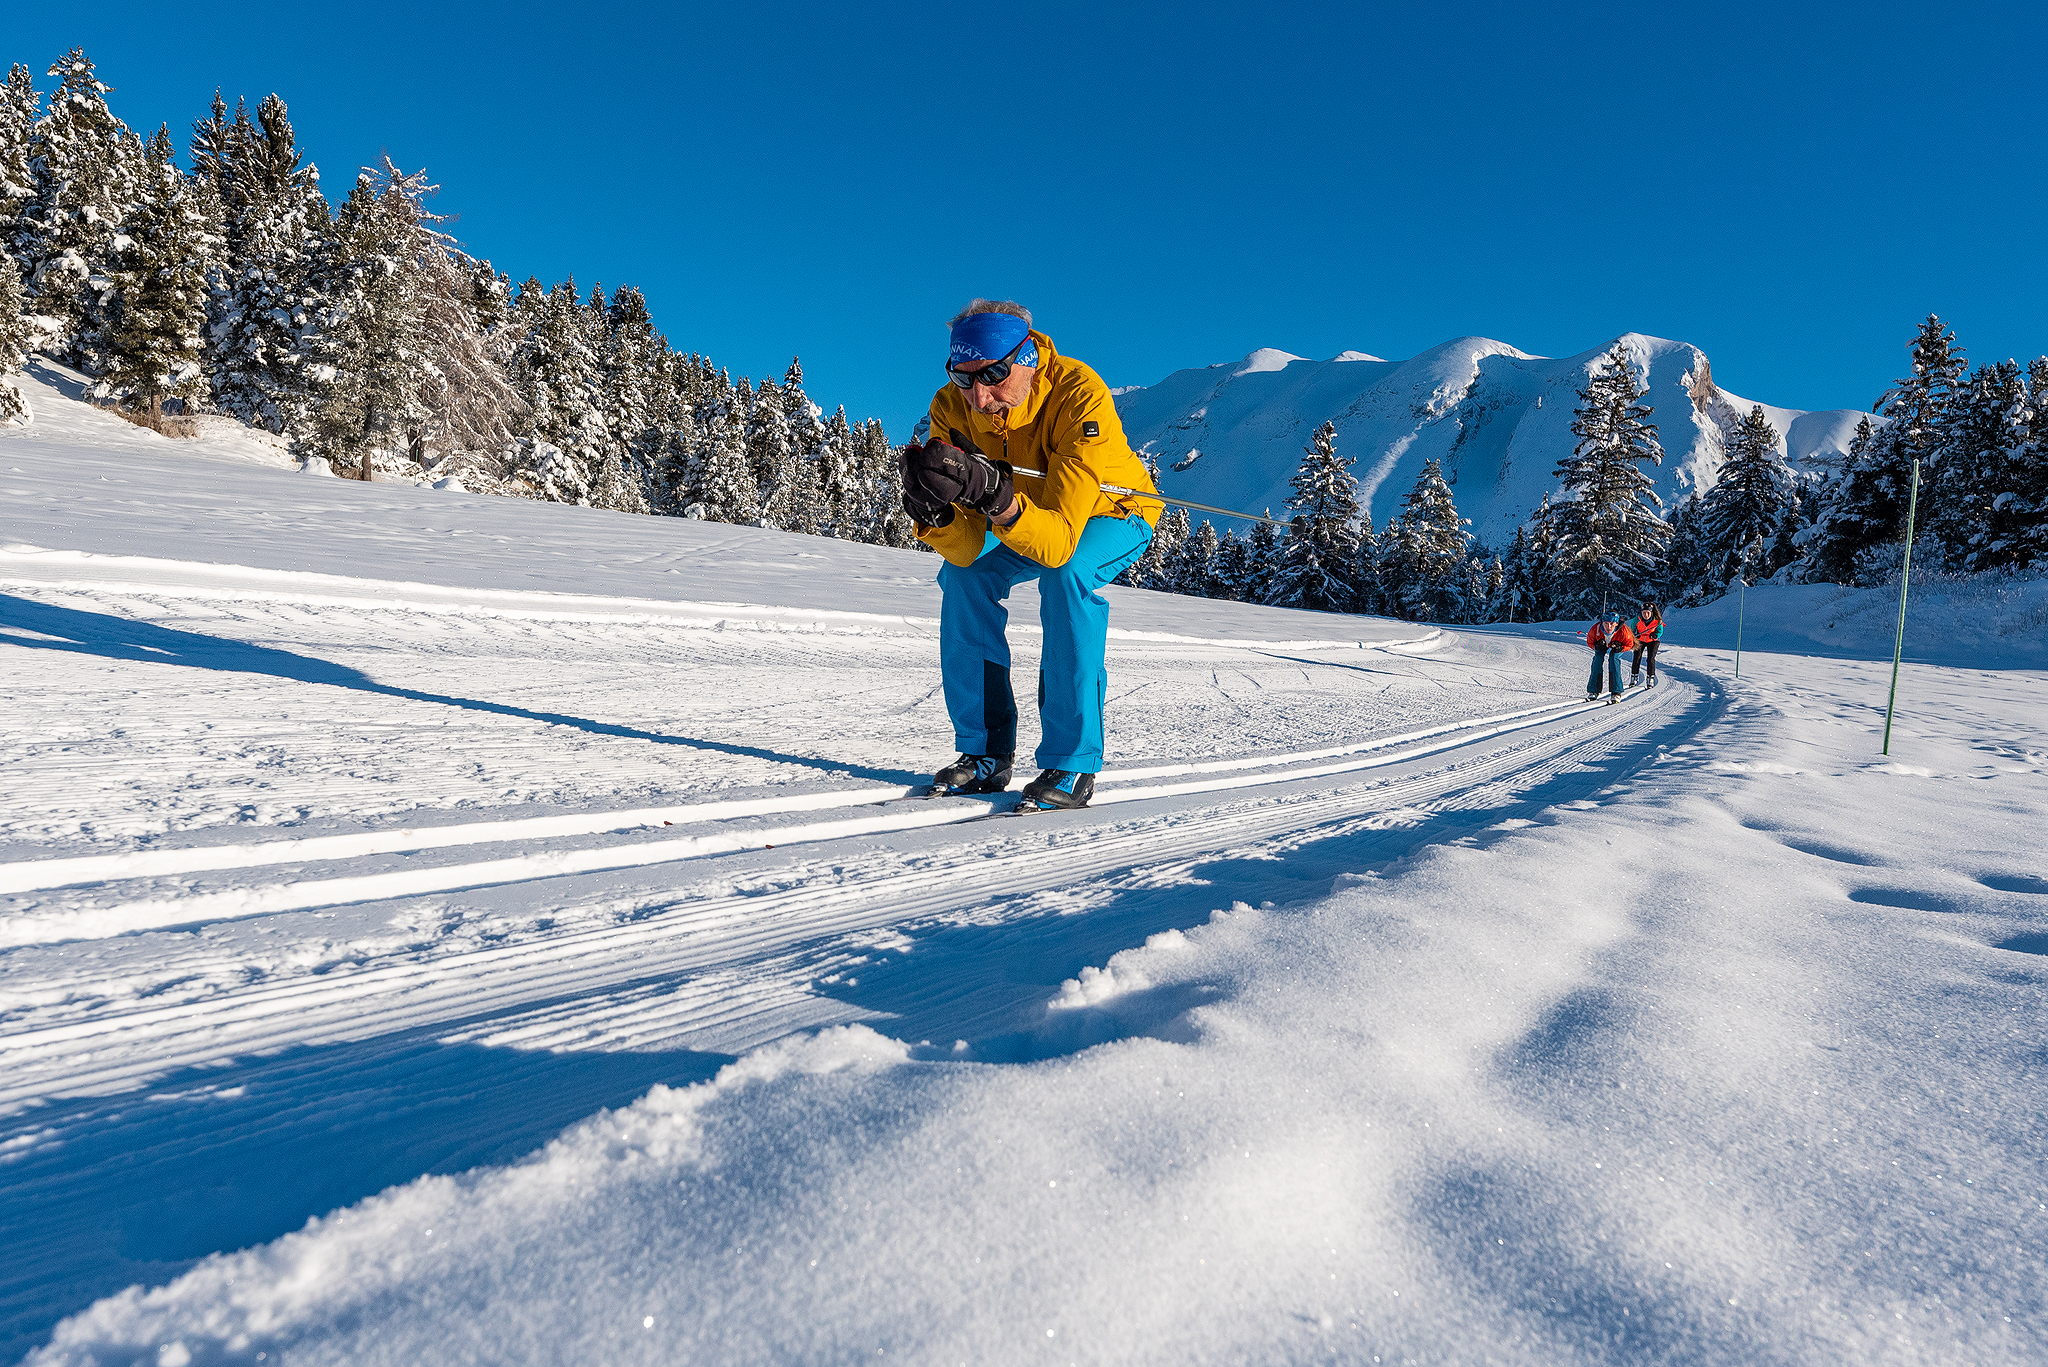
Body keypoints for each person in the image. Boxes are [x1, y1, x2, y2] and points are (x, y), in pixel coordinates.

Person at [898, 300, 1162, 809]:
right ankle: (986, 753)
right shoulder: (950, 409)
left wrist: (994, 496)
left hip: (1110, 513)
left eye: (993, 374)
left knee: (1066, 576)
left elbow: (1060, 541)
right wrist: (936, 516)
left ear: (1027, 359)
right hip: (1026, 515)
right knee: (965, 578)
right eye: (963, 377)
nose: (979, 395)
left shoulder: (1078, 394)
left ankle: (1073, 762)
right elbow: (969, 546)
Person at [1584, 609, 1636, 703]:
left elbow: (1630, 644)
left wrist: (1621, 648)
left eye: (1612, 624)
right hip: (1601, 645)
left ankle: (1616, 692)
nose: (1608, 626)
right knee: (1597, 659)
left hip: (1617, 646)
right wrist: (1597, 646)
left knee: (1614, 659)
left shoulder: (1624, 631)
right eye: (1606, 623)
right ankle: (1593, 690)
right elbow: (1590, 642)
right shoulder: (1595, 629)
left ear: (1616, 623)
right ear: (1602, 622)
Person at [1631, 599, 1664, 687]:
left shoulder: (1657, 620)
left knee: (1650, 659)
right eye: (1644, 612)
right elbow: (1632, 630)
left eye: (1648, 613)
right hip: (1640, 640)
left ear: (1651, 613)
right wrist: (1635, 635)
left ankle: (1650, 678)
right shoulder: (1636, 620)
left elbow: (1660, 630)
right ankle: (1634, 677)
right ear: (1641, 612)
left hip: (1652, 641)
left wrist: (1655, 635)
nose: (1646, 615)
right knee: (1637, 657)